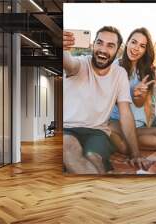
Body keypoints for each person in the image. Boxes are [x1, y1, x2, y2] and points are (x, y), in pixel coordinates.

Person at [62, 26, 151, 174]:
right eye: (100, 43)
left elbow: (126, 113)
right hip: (68, 128)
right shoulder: (80, 64)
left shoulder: (120, 73)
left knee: (94, 158)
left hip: (98, 132)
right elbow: (69, 64)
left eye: (110, 46)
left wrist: (135, 154)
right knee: (69, 147)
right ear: (93, 44)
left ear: (117, 50)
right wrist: (63, 49)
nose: (103, 49)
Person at [109, 27, 156, 152]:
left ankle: (124, 143)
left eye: (142, 46)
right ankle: (124, 145)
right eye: (133, 42)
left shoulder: (146, 72)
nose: (136, 48)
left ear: (145, 50)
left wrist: (137, 96)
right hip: (116, 121)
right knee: (123, 144)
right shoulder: (114, 66)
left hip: (138, 124)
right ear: (127, 42)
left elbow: (139, 104)